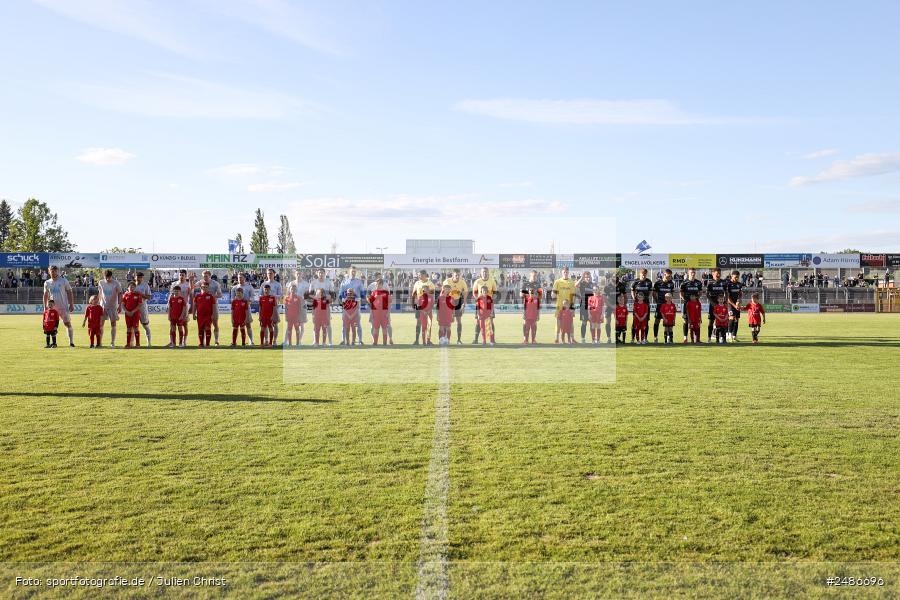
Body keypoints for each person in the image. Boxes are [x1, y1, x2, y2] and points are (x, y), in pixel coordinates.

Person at [42, 265, 76, 347]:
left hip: (63, 307)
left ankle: (71, 342)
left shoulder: (63, 281)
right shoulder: (47, 282)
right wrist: (45, 307)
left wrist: (71, 304)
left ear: (57, 271)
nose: (53, 272)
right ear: (49, 272)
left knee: (67, 324)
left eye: (54, 271)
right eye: (51, 271)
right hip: (52, 308)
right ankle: (53, 343)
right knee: (51, 326)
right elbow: (45, 295)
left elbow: (69, 292)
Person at [338, 267, 365, 345]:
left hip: (356, 304)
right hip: (346, 304)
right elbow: (340, 294)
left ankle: (359, 340)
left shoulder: (359, 282)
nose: (353, 273)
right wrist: (344, 300)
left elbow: (363, 293)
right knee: (344, 323)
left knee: (357, 323)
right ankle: (343, 340)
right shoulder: (344, 282)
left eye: (354, 272)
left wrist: (359, 298)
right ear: (349, 272)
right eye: (352, 271)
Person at [472, 267, 498, 344]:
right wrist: (478, 299)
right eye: (483, 272)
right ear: (481, 273)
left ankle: (492, 340)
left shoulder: (492, 281)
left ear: (488, 272)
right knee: (478, 322)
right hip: (480, 304)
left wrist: (491, 300)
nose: (484, 273)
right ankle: (476, 339)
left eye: (486, 272)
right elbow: (474, 292)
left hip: (489, 304)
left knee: (490, 322)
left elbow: (495, 293)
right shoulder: (477, 281)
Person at [196, 270, 223, 345]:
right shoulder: (201, 282)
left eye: (206, 276)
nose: (204, 278)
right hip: (203, 307)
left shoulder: (215, 284)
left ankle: (216, 340)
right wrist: (191, 281)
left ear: (210, 276)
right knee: (202, 325)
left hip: (213, 306)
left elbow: (220, 295)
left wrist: (211, 296)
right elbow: (192, 287)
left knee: (215, 323)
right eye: (203, 276)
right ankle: (203, 342)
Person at [442, 269, 469, 344]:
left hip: (457, 302)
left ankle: (459, 340)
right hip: (448, 302)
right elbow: (442, 292)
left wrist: (464, 303)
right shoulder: (447, 281)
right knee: (446, 321)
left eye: (458, 275)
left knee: (459, 321)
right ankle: (445, 339)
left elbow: (466, 292)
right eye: (456, 275)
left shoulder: (462, 282)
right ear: (452, 275)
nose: (457, 277)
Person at [552, 267, 577, 344]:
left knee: (571, 323)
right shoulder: (557, 282)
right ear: (561, 273)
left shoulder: (572, 282)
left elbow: (573, 295)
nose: (565, 273)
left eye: (566, 272)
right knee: (558, 323)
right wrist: (553, 294)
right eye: (564, 272)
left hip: (569, 307)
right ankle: (557, 338)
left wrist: (572, 307)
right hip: (559, 306)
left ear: (568, 272)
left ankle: (572, 338)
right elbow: (553, 294)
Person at [99, 270, 123, 348]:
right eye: (106, 277)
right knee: (101, 324)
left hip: (113, 306)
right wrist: (98, 304)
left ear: (111, 276)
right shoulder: (101, 282)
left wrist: (119, 305)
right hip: (103, 306)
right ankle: (100, 342)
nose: (107, 279)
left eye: (109, 277)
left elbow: (120, 293)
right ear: (104, 276)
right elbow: (100, 293)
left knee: (113, 324)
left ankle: (112, 342)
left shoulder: (116, 283)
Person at [411, 270, 436, 345]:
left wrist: (430, 308)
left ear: (425, 275)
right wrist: (413, 304)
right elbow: (414, 294)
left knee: (428, 324)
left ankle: (428, 340)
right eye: (418, 275)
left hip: (427, 306)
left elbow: (432, 296)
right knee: (418, 322)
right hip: (419, 305)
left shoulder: (430, 284)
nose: (419, 276)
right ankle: (417, 340)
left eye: (420, 275)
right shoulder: (417, 283)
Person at [231, 273, 257, 345]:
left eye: (241, 277)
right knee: (235, 326)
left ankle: (251, 341)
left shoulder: (249, 287)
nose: (240, 279)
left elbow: (253, 296)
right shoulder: (234, 288)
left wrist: (249, 301)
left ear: (244, 278)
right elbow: (232, 299)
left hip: (246, 309)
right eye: (239, 277)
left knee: (248, 324)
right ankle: (234, 341)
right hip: (238, 310)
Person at [652, 269, 676, 344]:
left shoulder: (671, 284)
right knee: (657, 321)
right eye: (668, 276)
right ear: (664, 274)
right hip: (660, 305)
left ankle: (669, 338)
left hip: (668, 306)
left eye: (670, 276)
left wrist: (670, 302)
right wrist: (657, 302)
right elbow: (654, 294)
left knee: (669, 323)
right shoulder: (658, 283)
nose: (669, 278)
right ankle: (655, 337)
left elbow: (672, 294)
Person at [680, 267, 704, 344]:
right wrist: (685, 299)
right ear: (688, 273)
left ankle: (697, 339)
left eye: (694, 272)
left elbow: (700, 292)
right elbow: (681, 293)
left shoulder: (698, 283)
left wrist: (696, 299)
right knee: (686, 321)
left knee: (697, 321)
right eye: (691, 272)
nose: (693, 274)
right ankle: (685, 338)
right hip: (687, 304)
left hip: (695, 305)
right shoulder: (684, 283)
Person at [170, 270, 193, 347]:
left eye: (183, 275)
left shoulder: (188, 285)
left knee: (184, 325)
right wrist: (168, 306)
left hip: (184, 307)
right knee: (172, 325)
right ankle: (172, 342)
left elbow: (191, 295)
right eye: (180, 275)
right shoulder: (174, 284)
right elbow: (171, 295)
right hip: (175, 307)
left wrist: (192, 306)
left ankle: (184, 341)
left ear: (185, 276)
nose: (181, 276)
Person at [260, 269, 283, 345]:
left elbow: (280, 295)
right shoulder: (263, 284)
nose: (269, 274)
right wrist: (265, 297)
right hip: (266, 307)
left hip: (275, 307)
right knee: (265, 324)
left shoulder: (278, 284)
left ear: (274, 274)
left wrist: (273, 296)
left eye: (271, 273)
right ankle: (266, 340)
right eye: (268, 273)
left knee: (275, 324)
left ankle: (274, 340)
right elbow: (260, 295)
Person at [706, 268, 728, 343]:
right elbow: (707, 294)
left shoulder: (723, 282)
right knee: (711, 321)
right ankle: (709, 338)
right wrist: (712, 303)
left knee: (723, 321)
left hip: (721, 305)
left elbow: (726, 292)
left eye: (719, 273)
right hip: (713, 305)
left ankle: (723, 338)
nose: (718, 274)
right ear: (713, 274)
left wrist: (725, 302)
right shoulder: (710, 282)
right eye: (717, 273)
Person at [368, 278, 392, 345]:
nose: (377, 286)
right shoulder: (374, 292)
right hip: (376, 313)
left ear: (381, 284)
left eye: (378, 284)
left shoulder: (386, 292)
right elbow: (371, 303)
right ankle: (375, 343)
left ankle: (384, 343)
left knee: (384, 328)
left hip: (384, 313)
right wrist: (371, 313)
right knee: (376, 328)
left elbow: (389, 303)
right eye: (376, 285)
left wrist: (388, 313)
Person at [630, 269, 652, 343]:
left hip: (645, 304)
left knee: (646, 322)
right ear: (639, 274)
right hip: (637, 305)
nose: (643, 275)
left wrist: (647, 298)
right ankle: (633, 339)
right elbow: (632, 290)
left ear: (646, 274)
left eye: (645, 274)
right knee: (634, 322)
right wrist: (634, 299)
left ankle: (645, 339)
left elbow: (651, 292)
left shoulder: (649, 282)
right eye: (642, 274)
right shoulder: (635, 282)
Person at [603, 275, 625, 344]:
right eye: (614, 282)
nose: (615, 284)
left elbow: (624, 296)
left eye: (617, 282)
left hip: (618, 306)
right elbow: (604, 298)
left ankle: (617, 338)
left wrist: (622, 305)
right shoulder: (607, 286)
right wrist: (611, 306)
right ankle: (609, 338)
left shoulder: (621, 285)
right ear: (611, 280)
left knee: (618, 322)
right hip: (609, 306)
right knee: (608, 322)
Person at [192, 281, 216, 347]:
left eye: (206, 287)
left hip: (208, 316)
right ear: (201, 287)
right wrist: (194, 314)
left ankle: (208, 344)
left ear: (208, 288)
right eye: (203, 287)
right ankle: (201, 343)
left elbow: (214, 306)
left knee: (207, 329)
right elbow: (194, 306)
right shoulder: (197, 296)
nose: (204, 288)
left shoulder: (211, 296)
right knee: (200, 329)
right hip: (200, 316)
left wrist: (213, 314)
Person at [121, 281, 144, 348]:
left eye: (133, 286)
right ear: (128, 287)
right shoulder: (125, 295)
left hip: (135, 314)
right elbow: (123, 305)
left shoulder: (138, 295)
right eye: (130, 286)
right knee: (128, 328)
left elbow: (140, 305)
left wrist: (133, 311)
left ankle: (137, 344)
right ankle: (128, 344)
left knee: (136, 328)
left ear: (135, 287)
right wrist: (127, 311)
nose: (131, 288)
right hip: (127, 314)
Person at [133, 271, 153, 346]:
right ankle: (133, 343)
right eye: (138, 277)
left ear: (142, 278)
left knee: (145, 325)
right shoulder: (132, 285)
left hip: (142, 308)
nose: (139, 278)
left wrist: (141, 294)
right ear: (135, 277)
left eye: (140, 277)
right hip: (133, 308)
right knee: (133, 326)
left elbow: (149, 297)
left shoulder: (145, 285)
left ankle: (149, 342)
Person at [724, 270, 744, 341]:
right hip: (730, 304)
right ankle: (728, 335)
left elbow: (740, 294)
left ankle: (734, 335)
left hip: (737, 304)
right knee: (731, 318)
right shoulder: (728, 284)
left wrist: (739, 301)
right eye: (735, 277)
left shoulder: (739, 284)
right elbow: (728, 297)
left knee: (737, 320)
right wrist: (734, 305)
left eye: (737, 277)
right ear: (732, 276)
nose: (736, 279)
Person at [575, 271, 595, 343]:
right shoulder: (582, 283)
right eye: (586, 277)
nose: (588, 278)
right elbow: (576, 285)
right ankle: (583, 339)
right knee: (584, 322)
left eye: (589, 277)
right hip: (583, 306)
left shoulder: (592, 284)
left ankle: (593, 339)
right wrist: (581, 278)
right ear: (584, 277)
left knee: (592, 323)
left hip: (592, 306)